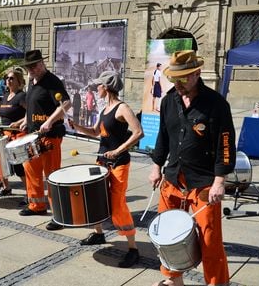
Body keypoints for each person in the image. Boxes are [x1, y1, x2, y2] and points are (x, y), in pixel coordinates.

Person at [148, 50, 236, 286]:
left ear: (197, 73)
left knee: (209, 239)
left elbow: (225, 144)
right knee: (167, 233)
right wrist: (157, 165)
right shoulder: (169, 100)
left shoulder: (216, 104)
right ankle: (173, 279)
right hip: (173, 178)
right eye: (175, 78)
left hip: (204, 182)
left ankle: (217, 283)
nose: (178, 83)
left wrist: (220, 181)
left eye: (184, 78)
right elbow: (163, 136)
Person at [69, 71, 144, 268]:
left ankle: (133, 248)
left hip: (119, 163)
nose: (96, 88)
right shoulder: (105, 109)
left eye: (99, 86)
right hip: (101, 161)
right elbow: (96, 132)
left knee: (118, 204)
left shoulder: (122, 108)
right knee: (95, 198)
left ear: (107, 87)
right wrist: (76, 126)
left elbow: (138, 132)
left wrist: (118, 150)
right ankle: (99, 234)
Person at [18, 50, 71, 231]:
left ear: (41, 64)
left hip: (50, 136)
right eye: (27, 67)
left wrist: (49, 121)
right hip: (33, 135)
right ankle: (37, 206)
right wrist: (26, 120)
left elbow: (66, 103)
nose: (30, 69)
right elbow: (32, 105)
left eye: (33, 66)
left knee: (52, 176)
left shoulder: (52, 81)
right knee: (31, 170)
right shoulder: (32, 81)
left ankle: (59, 215)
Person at [0, 67, 27, 197]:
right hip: (4, 134)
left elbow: (30, 113)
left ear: (19, 81)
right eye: (7, 78)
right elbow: (4, 110)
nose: (8, 80)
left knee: (19, 166)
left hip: (17, 135)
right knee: (1, 162)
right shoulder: (6, 96)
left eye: (11, 78)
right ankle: (6, 187)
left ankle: (30, 193)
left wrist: (19, 122)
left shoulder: (22, 96)